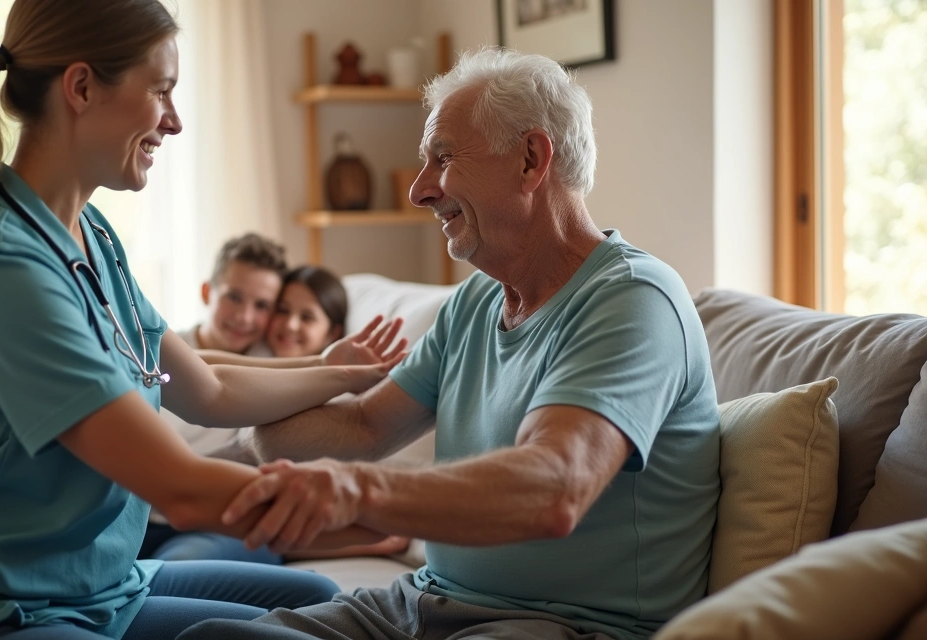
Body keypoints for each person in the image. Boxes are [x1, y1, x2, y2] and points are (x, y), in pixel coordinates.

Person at [0, 2, 403, 639]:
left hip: (92, 589)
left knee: (316, 600)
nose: (175, 120)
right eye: (161, 91)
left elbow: (206, 387)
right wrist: (401, 502)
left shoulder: (89, 233)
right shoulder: (1, 266)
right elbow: (184, 490)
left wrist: (333, 371)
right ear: (81, 87)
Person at [180, 48, 721, 640]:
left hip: (562, 625)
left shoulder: (632, 298)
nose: (418, 191)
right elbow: (358, 429)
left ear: (531, 159)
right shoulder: (475, 302)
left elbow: (555, 487)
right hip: (424, 606)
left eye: (442, 159)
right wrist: (306, 384)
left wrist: (355, 490)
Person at [143, 265, 412, 565]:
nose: (289, 325)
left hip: (219, 525)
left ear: (333, 331)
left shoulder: (346, 399)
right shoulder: (255, 362)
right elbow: (208, 375)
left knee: (183, 567)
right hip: (167, 511)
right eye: (281, 311)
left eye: (307, 316)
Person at [177, 233, 287, 356]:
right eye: (234, 298)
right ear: (206, 293)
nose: (244, 318)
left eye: (261, 305)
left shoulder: (274, 360)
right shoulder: (160, 353)